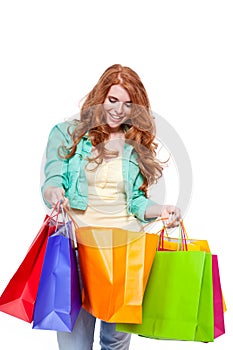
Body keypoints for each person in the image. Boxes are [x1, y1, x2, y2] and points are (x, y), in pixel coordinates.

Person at [41, 64, 181, 350]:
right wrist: (55, 193)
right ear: (100, 97)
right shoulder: (67, 134)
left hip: (123, 252)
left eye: (128, 104)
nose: (119, 110)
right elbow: (53, 180)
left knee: (115, 343)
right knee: (74, 344)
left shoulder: (134, 144)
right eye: (112, 100)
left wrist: (163, 210)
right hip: (78, 249)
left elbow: (138, 202)